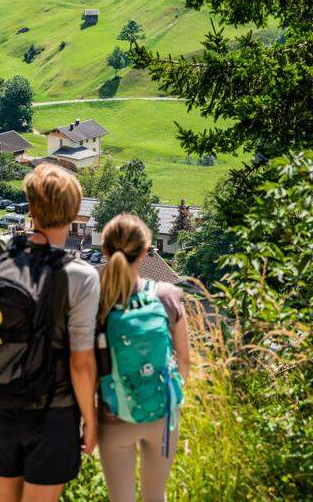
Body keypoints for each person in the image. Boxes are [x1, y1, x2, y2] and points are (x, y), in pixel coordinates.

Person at [0, 163, 101, 502]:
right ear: (74, 213)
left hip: (4, 404)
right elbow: (81, 362)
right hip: (55, 412)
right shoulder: (81, 276)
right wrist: (90, 420)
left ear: (30, 210)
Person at [94, 214, 191, 502]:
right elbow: (184, 361)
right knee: (155, 496)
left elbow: (87, 366)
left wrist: (88, 415)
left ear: (105, 252)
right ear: (146, 252)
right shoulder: (168, 295)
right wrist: (165, 400)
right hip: (163, 413)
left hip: (115, 415)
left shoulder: (97, 300)